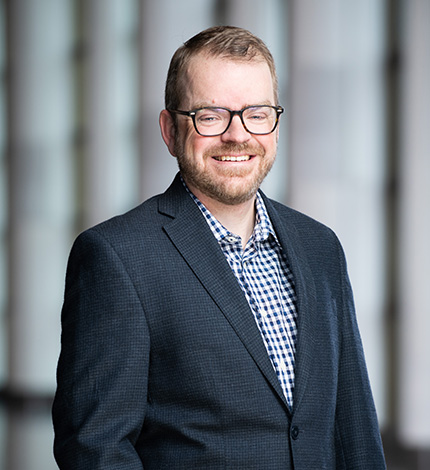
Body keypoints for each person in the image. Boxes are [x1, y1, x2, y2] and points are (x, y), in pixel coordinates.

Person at [52, 26, 386, 469]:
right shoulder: (116, 258)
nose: (238, 135)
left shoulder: (320, 247)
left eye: (257, 113)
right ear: (170, 130)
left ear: (276, 124)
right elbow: (94, 449)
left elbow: (354, 429)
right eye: (211, 115)